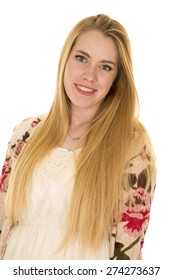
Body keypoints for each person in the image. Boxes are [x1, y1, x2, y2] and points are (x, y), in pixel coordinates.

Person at [0, 14, 156, 260]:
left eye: (105, 66)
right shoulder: (25, 133)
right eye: (82, 58)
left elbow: (128, 251)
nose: (89, 76)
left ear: (116, 80)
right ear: (65, 60)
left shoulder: (133, 146)